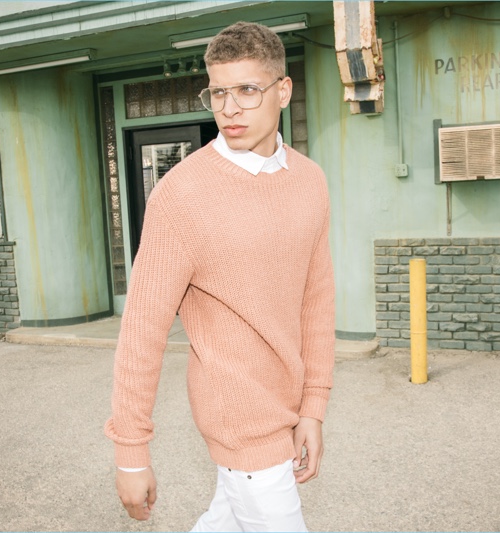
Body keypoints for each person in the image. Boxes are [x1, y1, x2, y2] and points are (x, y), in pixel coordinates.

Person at [105, 21, 335, 532]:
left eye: (247, 90)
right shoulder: (183, 194)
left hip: (286, 407)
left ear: (283, 90)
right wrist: (131, 452)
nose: (229, 108)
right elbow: (142, 329)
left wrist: (313, 409)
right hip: (238, 417)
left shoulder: (311, 181)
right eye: (218, 92)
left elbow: (315, 301)